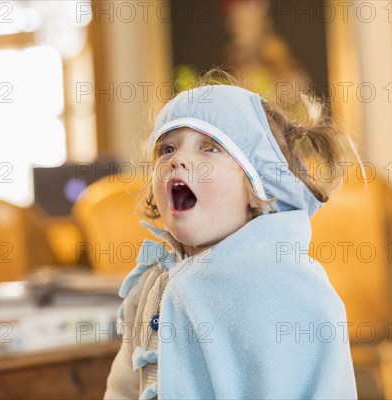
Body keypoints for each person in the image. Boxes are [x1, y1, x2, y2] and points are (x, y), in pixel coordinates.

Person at [104, 71, 359, 399]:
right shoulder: (153, 285)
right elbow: (123, 387)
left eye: (209, 148)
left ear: (256, 188)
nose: (177, 160)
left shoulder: (287, 287)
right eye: (167, 148)